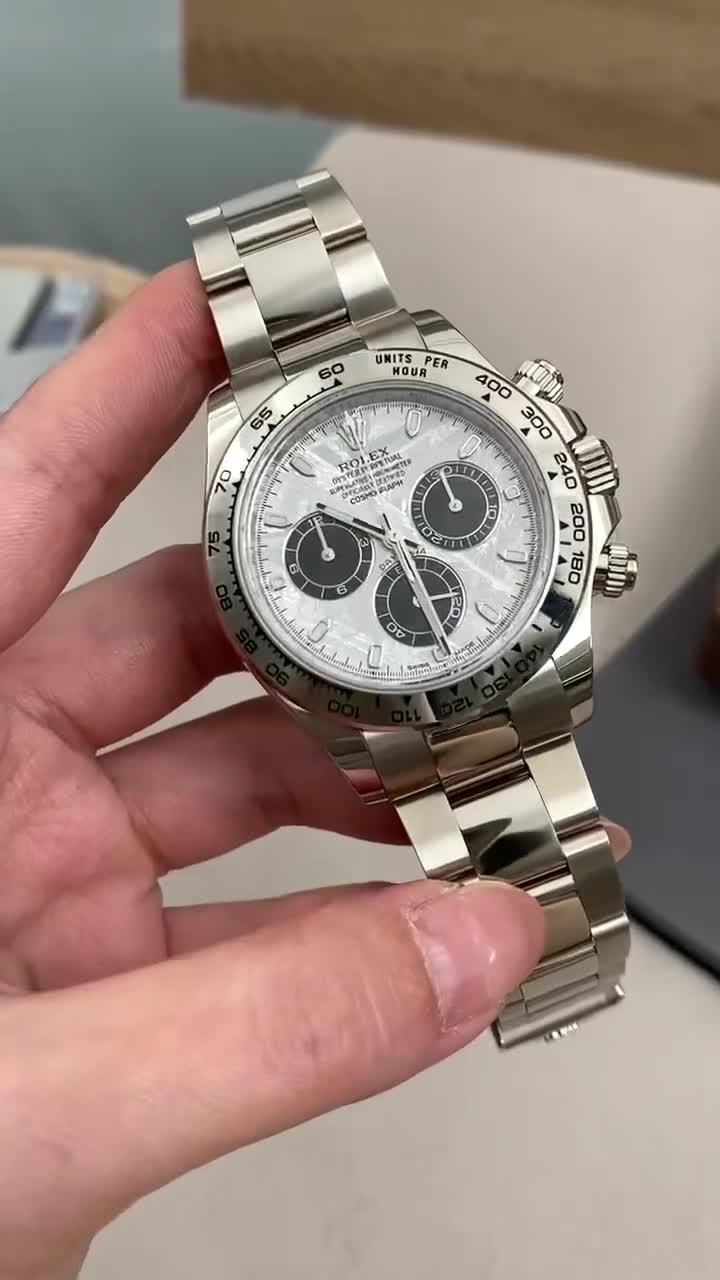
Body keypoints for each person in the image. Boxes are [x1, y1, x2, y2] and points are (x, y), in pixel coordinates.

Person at [0, 262, 629, 1279]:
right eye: (339, 538)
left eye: (447, 500)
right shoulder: (268, 584)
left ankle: (558, 953)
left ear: (565, 476)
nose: (393, 535)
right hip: (383, 695)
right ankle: (553, 958)